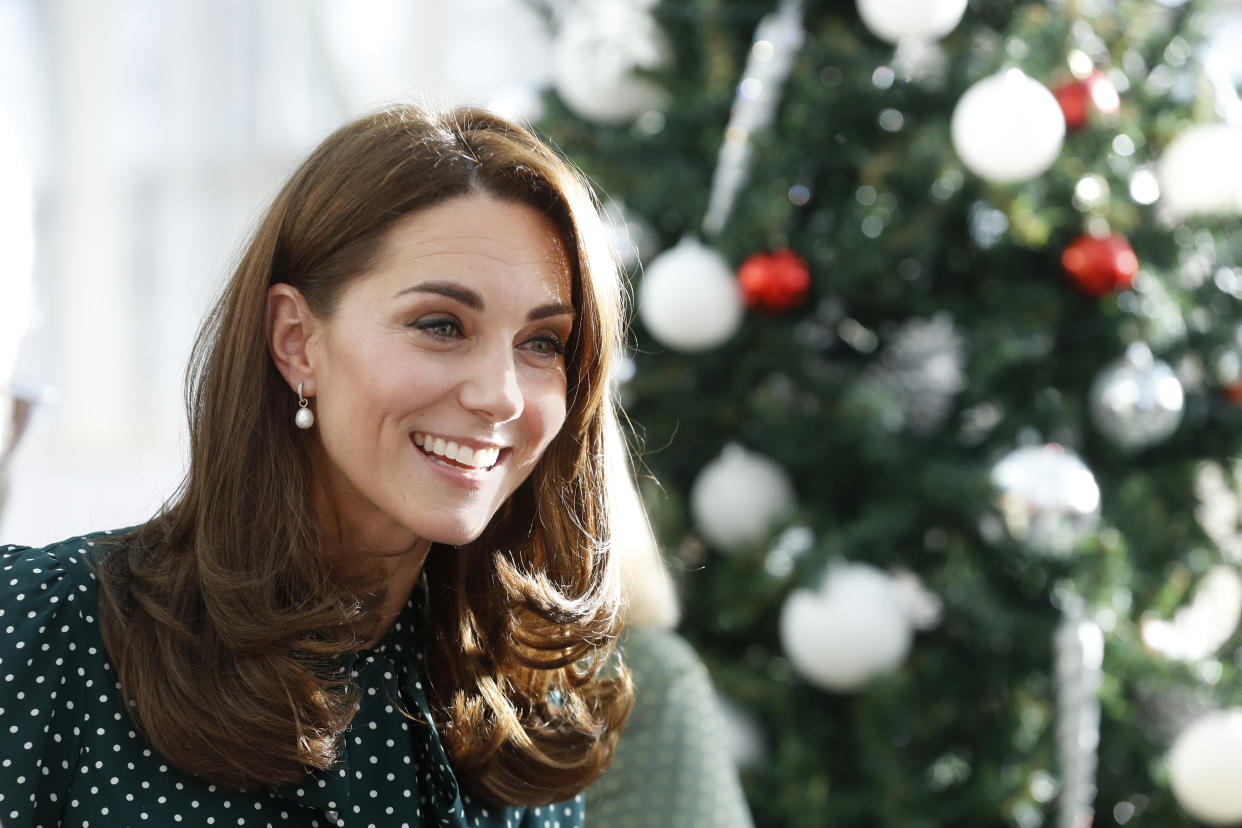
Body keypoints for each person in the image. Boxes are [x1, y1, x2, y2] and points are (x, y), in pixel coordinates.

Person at [0, 104, 634, 827]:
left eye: (543, 342)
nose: (499, 396)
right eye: (441, 326)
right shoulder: (39, 632)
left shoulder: (519, 720)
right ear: (297, 341)